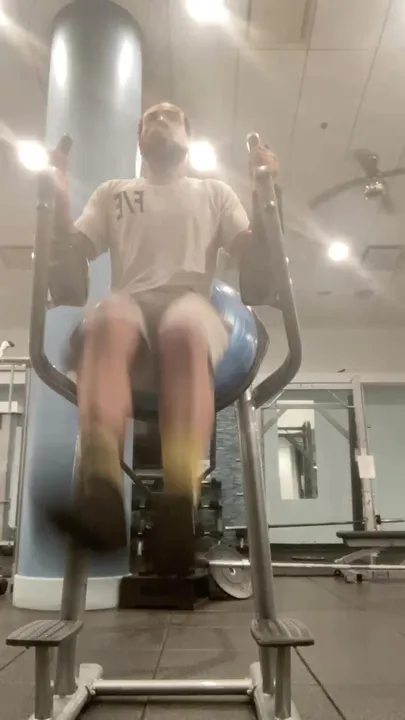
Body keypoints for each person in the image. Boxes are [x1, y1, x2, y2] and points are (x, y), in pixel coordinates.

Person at [51, 102, 278, 573]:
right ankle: (101, 492)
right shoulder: (114, 192)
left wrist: (266, 189)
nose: (158, 121)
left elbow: (255, 256)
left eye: (169, 116)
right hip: (129, 311)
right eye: (149, 118)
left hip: (189, 303)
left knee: (184, 324)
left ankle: (178, 502)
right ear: (139, 139)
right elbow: (74, 255)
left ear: (188, 136)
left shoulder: (213, 193)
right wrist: (56, 199)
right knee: (107, 317)